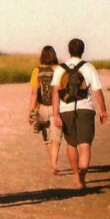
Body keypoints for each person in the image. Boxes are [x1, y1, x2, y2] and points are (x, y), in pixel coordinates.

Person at [51, 38, 109, 189]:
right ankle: (82, 178)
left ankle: (76, 175)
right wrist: (103, 110)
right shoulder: (89, 67)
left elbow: (55, 93)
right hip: (85, 109)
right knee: (85, 145)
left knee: (71, 144)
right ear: (82, 50)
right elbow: (97, 91)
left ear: (69, 50)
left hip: (66, 110)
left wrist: (55, 114)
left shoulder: (60, 69)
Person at [28, 45, 64, 175]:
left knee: (47, 138)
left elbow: (34, 93)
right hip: (57, 107)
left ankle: (52, 163)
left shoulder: (36, 71)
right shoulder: (60, 70)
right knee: (56, 137)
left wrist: (31, 112)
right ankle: (53, 165)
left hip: (41, 107)